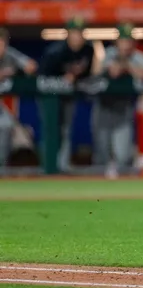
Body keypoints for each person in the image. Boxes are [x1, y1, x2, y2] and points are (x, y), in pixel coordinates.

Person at [92, 23, 143, 179]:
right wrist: (109, 69)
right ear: (117, 42)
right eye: (123, 40)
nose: (126, 44)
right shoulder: (107, 54)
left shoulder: (139, 57)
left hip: (124, 108)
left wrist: (127, 67)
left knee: (123, 155)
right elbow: (95, 74)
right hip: (103, 108)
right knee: (102, 153)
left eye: (129, 40)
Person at [40, 17, 96, 173]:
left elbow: (87, 73)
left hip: (68, 96)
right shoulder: (55, 52)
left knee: (66, 129)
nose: (77, 36)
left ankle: (62, 165)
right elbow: (41, 79)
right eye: (74, 33)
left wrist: (74, 78)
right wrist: (62, 80)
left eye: (80, 33)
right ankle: (48, 165)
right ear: (68, 34)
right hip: (49, 97)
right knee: (51, 129)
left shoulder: (88, 50)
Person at [0, 28, 37, 172]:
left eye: (1, 44)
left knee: (6, 132)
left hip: (5, 112)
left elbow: (31, 66)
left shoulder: (10, 55)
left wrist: (15, 72)